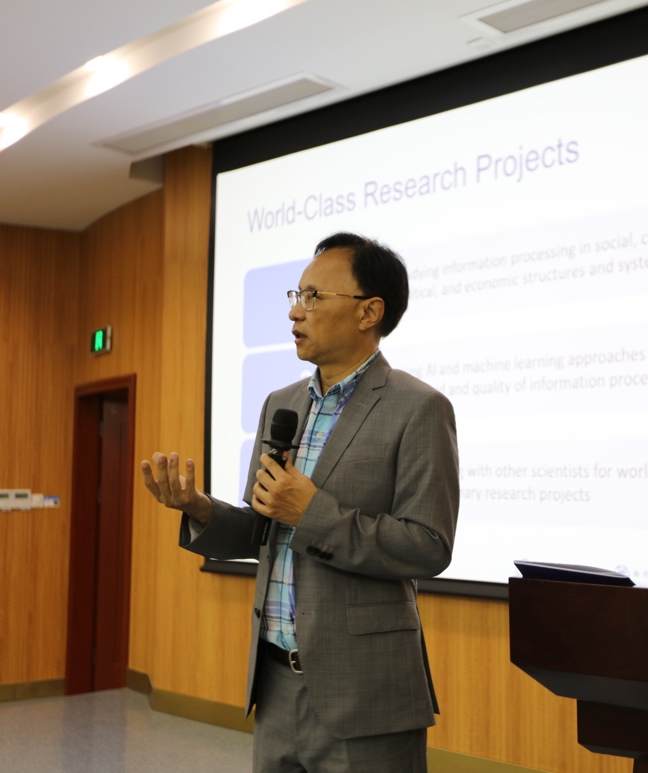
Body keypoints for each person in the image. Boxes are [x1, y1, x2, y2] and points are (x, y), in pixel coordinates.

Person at [140, 232, 460, 773]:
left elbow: (428, 546)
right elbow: (263, 529)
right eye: (296, 295)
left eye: (313, 297)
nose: (295, 311)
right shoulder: (281, 404)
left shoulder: (419, 408)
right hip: (274, 683)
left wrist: (311, 514)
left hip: (365, 693)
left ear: (369, 312)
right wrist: (198, 508)